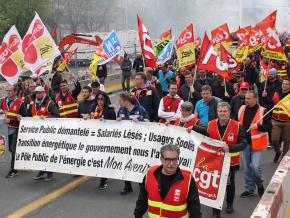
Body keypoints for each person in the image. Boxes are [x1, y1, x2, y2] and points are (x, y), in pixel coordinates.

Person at [196, 102, 247, 217]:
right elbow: (203, 133)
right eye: (220, 111)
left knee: (229, 184)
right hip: (214, 161)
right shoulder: (210, 124)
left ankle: (229, 204)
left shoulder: (238, 126)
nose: (222, 113)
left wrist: (230, 147)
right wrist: (191, 128)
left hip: (230, 162)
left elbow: (244, 144)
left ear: (229, 112)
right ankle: (216, 210)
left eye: (225, 111)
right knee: (215, 185)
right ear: (217, 113)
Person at [134, 144, 202, 218]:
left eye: (174, 159)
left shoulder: (188, 179)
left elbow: (195, 209)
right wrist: (137, 215)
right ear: (161, 159)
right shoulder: (150, 174)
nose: (171, 163)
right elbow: (142, 200)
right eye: (167, 159)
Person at [239, 90, 271, 198]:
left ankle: (260, 183)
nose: (246, 100)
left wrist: (258, 127)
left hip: (257, 145)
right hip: (244, 144)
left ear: (255, 98)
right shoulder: (242, 109)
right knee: (247, 169)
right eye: (245, 98)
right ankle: (249, 189)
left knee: (255, 167)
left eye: (248, 98)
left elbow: (269, 127)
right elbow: (237, 123)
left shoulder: (263, 111)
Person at [117, 92, 149, 195]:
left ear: (126, 101)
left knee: (139, 163)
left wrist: (140, 121)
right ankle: (127, 186)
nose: (119, 102)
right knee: (126, 163)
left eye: (120, 100)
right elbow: (117, 125)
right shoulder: (121, 110)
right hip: (126, 142)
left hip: (138, 143)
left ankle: (142, 185)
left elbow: (149, 122)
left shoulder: (140, 109)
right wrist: (117, 121)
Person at [27, 86, 59, 181]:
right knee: (39, 153)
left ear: (43, 93)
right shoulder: (32, 104)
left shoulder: (50, 103)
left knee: (47, 153)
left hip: (48, 133)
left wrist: (46, 119)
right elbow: (29, 116)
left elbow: (57, 116)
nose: (38, 94)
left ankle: (49, 173)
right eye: (36, 93)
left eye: (40, 92)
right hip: (36, 133)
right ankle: (41, 171)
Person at [89, 92, 116, 189]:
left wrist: (105, 122)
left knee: (104, 159)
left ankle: (103, 181)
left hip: (106, 139)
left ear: (105, 100)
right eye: (98, 99)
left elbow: (114, 125)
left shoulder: (110, 110)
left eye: (102, 99)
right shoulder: (92, 108)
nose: (100, 101)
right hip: (95, 139)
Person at [0, 85, 26, 178]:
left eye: (10, 91)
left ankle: (13, 170)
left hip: (15, 129)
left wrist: (11, 121)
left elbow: (24, 118)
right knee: (5, 149)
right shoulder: (4, 101)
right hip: (4, 131)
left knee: (13, 149)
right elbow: (2, 111)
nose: (8, 92)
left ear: (15, 92)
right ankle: (20, 164)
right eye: (7, 91)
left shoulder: (20, 103)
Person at [271, 79, 290, 162]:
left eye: (286, 84)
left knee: (287, 140)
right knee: (274, 140)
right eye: (283, 83)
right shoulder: (276, 93)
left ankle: (284, 157)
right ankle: (278, 152)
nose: (284, 85)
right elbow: (270, 104)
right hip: (276, 120)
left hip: (287, 121)